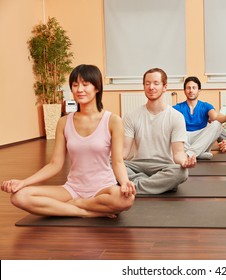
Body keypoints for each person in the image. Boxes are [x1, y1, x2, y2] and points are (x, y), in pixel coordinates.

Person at [1, 64, 136, 218]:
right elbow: (55, 164)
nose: (79, 89)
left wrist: (125, 182)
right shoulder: (64, 122)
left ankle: (78, 204)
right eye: (75, 85)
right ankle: (86, 213)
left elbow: (118, 162)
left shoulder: (113, 121)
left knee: (126, 200)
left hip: (103, 188)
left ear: (97, 88)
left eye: (85, 85)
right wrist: (23, 182)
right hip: (73, 188)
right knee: (19, 196)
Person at [123, 68, 196, 195]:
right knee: (109, 165)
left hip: (163, 167)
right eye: (147, 83)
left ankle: (134, 186)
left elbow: (178, 153)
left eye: (156, 83)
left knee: (181, 172)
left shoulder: (176, 117)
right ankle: (159, 185)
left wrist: (184, 161)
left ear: (164, 87)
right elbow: (124, 152)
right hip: (136, 165)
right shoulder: (131, 116)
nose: (151, 87)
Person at [173, 76, 226, 160]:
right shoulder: (178, 107)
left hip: (201, 138)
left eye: (194, 88)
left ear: (199, 91)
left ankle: (189, 154)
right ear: (184, 91)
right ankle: (199, 153)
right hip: (185, 138)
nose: (191, 90)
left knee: (217, 124)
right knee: (169, 128)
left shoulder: (205, 106)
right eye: (188, 88)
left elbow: (216, 117)